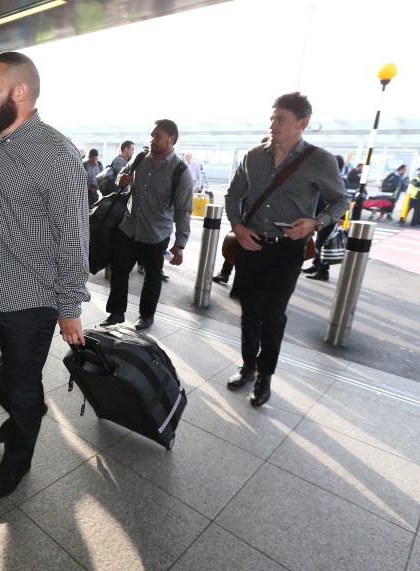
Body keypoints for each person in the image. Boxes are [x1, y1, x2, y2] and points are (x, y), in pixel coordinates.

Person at [0, 52, 89, 501]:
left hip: (31, 296)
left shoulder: (57, 155)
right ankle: (26, 410)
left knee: (24, 381)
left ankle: (16, 464)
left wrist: (69, 307)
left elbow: (74, 238)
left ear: (20, 91)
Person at [223, 92, 347, 407]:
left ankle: (264, 376)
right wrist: (238, 227)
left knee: (272, 315)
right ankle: (248, 366)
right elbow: (233, 195)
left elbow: (340, 201)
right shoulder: (253, 156)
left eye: (281, 119)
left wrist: (315, 222)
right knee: (250, 311)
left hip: (288, 250)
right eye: (272, 118)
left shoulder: (320, 161)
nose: (273, 125)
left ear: (303, 123)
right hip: (251, 244)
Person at [100, 119, 193, 330]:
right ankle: (116, 312)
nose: (152, 140)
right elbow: (122, 175)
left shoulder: (180, 171)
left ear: (172, 139)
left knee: (152, 277)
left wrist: (180, 244)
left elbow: (183, 210)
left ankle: (146, 315)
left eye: (157, 136)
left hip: (156, 234)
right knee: (119, 270)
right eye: (151, 135)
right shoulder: (140, 158)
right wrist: (122, 180)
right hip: (129, 227)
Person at [303, 155, 345, 281]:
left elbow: (342, 201)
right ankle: (316, 265)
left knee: (323, 243)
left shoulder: (338, 181)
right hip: (321, 216)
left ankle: (323, 271)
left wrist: (340, 217)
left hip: (329, 217)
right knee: (319, 242)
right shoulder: (328, 179)